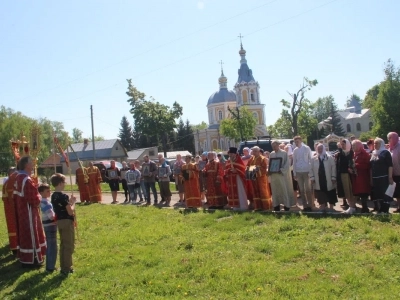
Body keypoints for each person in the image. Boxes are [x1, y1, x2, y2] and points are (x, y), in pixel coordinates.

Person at [14, 156, 46, 267]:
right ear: (26, 165)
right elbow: (34, 199)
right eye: (31, 163)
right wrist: (40, 195)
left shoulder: (18, 177)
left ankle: (25, 257)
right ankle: (33, 259)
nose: (33, 164)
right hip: (29, 213)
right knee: (31, 234)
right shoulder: (26, 179)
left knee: (24, 234)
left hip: (21, 211)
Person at [51, 173, 76, 275]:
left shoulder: (53, 196)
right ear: (60, 183)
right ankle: (67, 267)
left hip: (59, 221)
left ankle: (63, 265)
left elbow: (63, 207)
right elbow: (70, 211)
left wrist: (69, 203)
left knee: (63, 244)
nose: (65, 184)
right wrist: (73, 202)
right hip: (66, 221)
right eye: (64, 182)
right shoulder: (63, 196)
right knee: (68, 245)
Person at [309, 144, 337, 212]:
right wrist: (312, 178)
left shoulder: (329, 157)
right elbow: (310, 169)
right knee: (320, 192)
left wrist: (333, 177)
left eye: (321, 148)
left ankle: (331, 207)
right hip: (318, 179)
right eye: (318, 149)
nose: (320, 150)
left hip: (328, 178)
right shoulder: (313, 159)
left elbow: (333, 167)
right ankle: (323, 206)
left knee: (330, 191)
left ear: (324, 149)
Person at [269, 141, 296, 211]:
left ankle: (286, 205)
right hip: (274, 176)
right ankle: (276, 205)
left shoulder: (284, 153)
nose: (273, 147)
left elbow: (287, 164)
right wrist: (270, 170)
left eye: (275, 146)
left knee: (283, 190)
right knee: (275, 190)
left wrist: (281, 170)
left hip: (281, 175)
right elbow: (270, 164)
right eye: (272, 146)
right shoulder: (271, 154)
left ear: (278, 145)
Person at [370, 138, 394, 214]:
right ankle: (380, 209)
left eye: (377, 143)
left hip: (384, 177)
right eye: (374, 143)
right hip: (375, 177)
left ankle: (385, 210)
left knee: (385, 193)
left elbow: (390, 165)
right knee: (378, 193)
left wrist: (390, 177)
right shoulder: (373, 153)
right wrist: (371, 179)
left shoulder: (386, 153)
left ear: (382, 144)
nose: (375, 145)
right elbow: (371, 166)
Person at [246, 146, 272, 210]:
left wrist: (254, 168)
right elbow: (247, 166)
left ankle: (266, 207)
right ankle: (258, 207)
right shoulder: (251, 159)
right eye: (253, 151)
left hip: (261, 178)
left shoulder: (263, 159)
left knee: (263, 192)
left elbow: (264, 168)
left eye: (255, 151)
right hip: (253, 178)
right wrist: (248, 170)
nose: (253, 152)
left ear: (258, 151)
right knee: (255, 192)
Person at [39, 183, 57, 272]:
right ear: (41, 192)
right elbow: (51, 216)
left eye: (50, 190)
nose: (49, 192)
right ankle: (50, 267)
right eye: (47, 191)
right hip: (50, 225)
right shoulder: (45, 202)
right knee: (52, 246)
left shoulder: (42, 201)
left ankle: (50, 266)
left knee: (50, 245)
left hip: (47, 225)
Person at [292, 136, 313, 212]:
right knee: (301, 190)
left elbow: (310, 159)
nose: (296, 143)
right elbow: (294, 162)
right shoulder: (295, 150)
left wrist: (310, 171)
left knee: (308, 189)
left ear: (301, 140)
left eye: (297, 141)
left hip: (306, 170)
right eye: (295, 142)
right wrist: (294, 173)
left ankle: (310, 205)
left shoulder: (306, 148)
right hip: (298, 171)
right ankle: (305, 205)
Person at [351, 140, 372, 213]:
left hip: (363, 177)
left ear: (359, 146)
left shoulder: (365, 154)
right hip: (357, 177)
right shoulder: (354, 154)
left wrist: (356, 165)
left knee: (363, 193)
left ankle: (365, 208)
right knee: (359, 192)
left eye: (354, 145)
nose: (352, 147)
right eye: (352, 145)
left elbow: (367, 165)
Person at [336, 139, 356, 214]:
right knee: (346, 191)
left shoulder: (351, 153)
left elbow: (350, 162)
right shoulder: (340, 153)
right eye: (341, 145)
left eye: (343, 144)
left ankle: (352, 206)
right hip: (342, 174)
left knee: (351, 190)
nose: (342, 146)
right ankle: (350, 206)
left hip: (350, 174)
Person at [2, 166, 19, 254]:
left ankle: (18, 245)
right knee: (13, 228)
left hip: (16, 209)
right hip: (11, 210)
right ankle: (14, 247)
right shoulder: (7, 184)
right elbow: (5, 199)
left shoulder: (16, 182)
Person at [388, 132, 400, 213]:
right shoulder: (391, 148)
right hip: (394, 173)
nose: (388, 140)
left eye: (390, 138)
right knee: (397, 191)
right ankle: (399, 207)